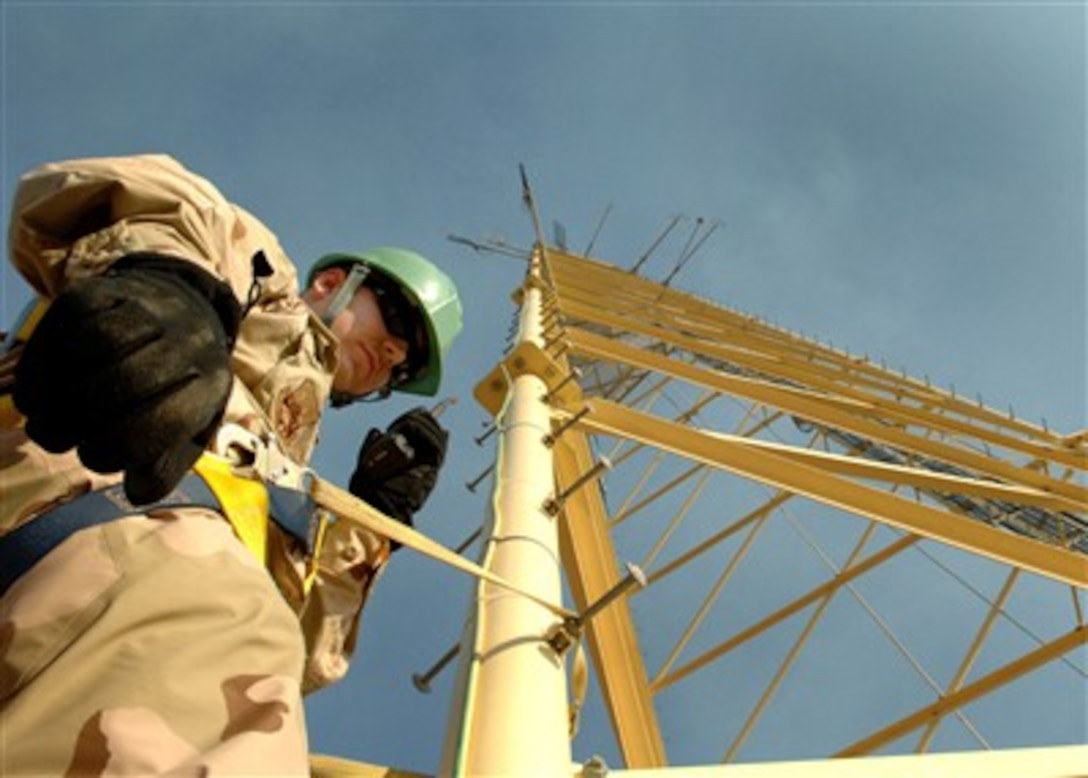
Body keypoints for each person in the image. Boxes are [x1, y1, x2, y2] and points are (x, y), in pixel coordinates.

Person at [0, 154, 463, 775]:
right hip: (72, 526)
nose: (390, 357)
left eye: (401, 366)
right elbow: (154, 199)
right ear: (335, 284)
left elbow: (304, 660)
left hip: (125, 629)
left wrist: (375, 520)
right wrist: (170, 287)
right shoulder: (261, 289)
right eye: (397, 322)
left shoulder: (294, 477)